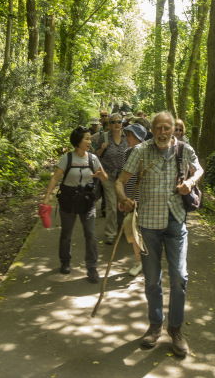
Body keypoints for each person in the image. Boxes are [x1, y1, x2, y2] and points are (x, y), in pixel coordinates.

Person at [115, 111, 203, 357]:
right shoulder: (141, 152)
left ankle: (175, 329)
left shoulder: (184, 149)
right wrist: (123, 199)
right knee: (152, 279)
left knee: (179, 277)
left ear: (174, 128)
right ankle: (155, 325)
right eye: (159, 129)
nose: (163, 133)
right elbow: (120, 181)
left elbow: (199, 170)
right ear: (152, 130)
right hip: (148, 226)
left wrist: (191, 182)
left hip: (175, 222)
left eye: (168, 128)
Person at [42, 126, 108, 282]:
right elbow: (55, 178)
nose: (89, 141)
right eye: (86, 138)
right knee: (66, 234)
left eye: (89, 138)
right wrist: (46, 198)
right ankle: (65, 261)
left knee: (91, 235)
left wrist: (102, 175)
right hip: (68, 200)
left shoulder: (93, 159)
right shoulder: (67, 159)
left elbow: (104, 178)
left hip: (87, 201)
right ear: (77, 142)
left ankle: (92, 267)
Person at [118, 122, 148, 276]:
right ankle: (139, 261)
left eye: (129, 135)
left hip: (145, 200)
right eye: (126, 134)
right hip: (130, 199)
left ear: (137, 137)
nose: (126, 137)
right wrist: (122, 198)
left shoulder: (147, 152)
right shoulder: (127, 152)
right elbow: (124, 178)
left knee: (146, 233)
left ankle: (147, 262)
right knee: (132, 231)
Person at [94, 112, 127, 244]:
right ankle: (110, 233)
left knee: (122, 204)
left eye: (119, 122)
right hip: (108, 176)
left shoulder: (127, 136)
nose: (116, 124)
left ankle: (121, 229)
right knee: (112, 205)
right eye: (113, 122)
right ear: (110, 124)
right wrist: (101, 149)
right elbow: (95, 155)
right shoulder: (104, 137)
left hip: (124, 177)